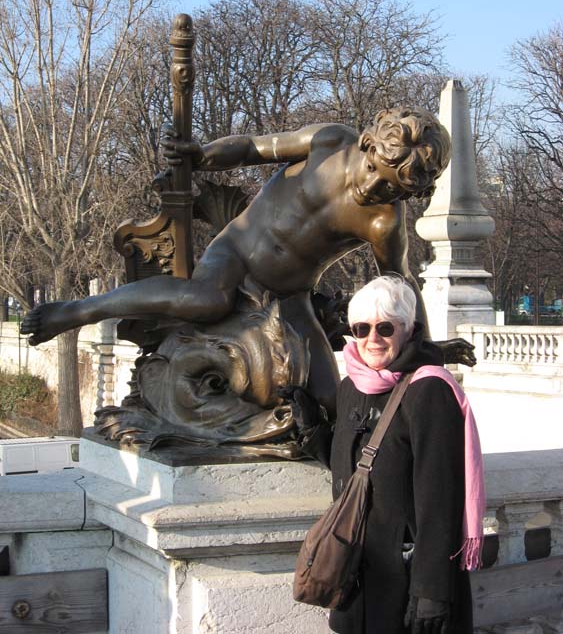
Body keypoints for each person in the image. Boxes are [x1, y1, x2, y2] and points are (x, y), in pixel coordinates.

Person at [21, 107, 473, 412]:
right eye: (376, 170)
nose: (374, 188)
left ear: (409, 192)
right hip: (235, 252)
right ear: (369, 145)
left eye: (392, 188)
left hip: (288, 294)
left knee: (329, 398)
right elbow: (255, 148)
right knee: (207, 300)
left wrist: (426, 347)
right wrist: (201, 157)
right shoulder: (331, 142)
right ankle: (77, 310)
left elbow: (400, 285)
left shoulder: (383, 223)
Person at [283, 275, 485, 634]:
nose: (372, 339)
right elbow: (357, 471)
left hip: (407, 582)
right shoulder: (352, 387)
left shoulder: (430, 390)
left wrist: (432, 592)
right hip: (355, 574)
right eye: (361, 328)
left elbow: (440, 502)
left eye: (385, 327)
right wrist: (314, 430)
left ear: (409, 330)